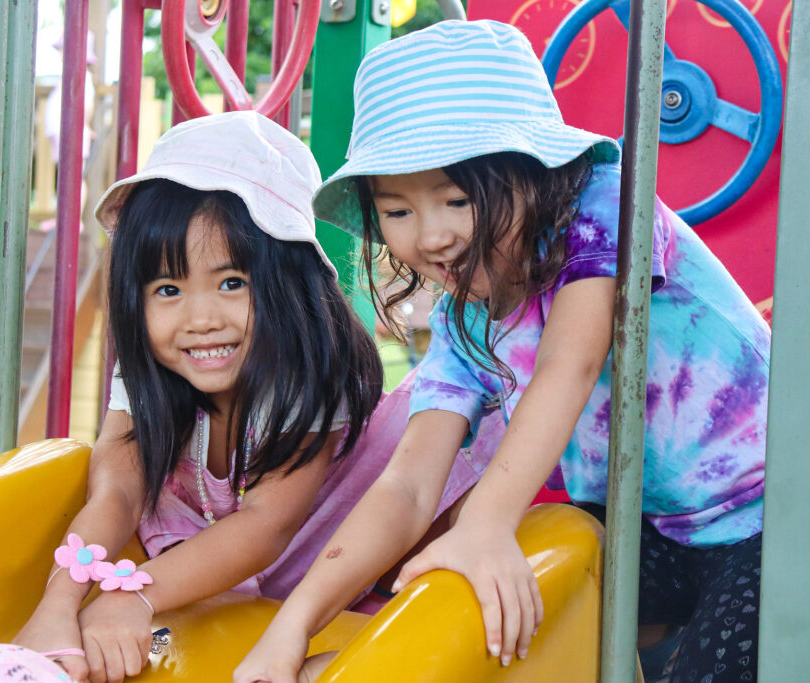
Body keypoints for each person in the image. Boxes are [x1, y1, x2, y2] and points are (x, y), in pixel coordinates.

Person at [235, 20, 767, 683]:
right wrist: (294, 623)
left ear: (537, 177)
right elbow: (406, 485)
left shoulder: (606, 204)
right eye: (396, 211)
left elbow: (567, 363)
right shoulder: (466, 321)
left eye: (457, 198)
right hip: (649, 529)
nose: (430, 235)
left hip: (770, 520)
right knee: (484, 605)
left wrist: (486, 519)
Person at [13, 111, 479, 682]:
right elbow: (117, 494)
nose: (201, 319)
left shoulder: (303, 370)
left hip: (330, 543)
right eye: (167, 288)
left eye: (232, 282)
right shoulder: (150, 375)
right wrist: (56, 607)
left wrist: (133, 599)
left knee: (434, 456)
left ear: (287, 282)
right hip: (220, 557)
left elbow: (266, 527)